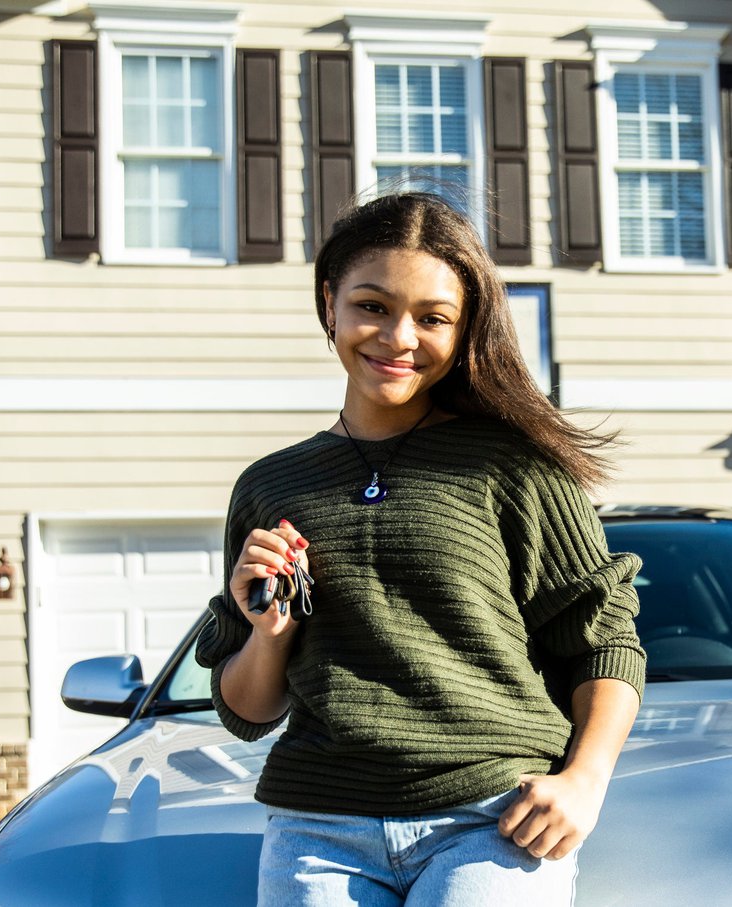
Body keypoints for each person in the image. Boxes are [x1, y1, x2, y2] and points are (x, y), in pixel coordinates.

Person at [195, 192, 645, 906]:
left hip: (493, 820)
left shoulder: (514, 466)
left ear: (463, 329)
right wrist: (268, 631)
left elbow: (605, 641)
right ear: (329, 303)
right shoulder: (269, 485)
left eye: (432, 318)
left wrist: (584, 782)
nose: (398, 336)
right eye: (372, 305)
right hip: (318, 830)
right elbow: (248, 710)